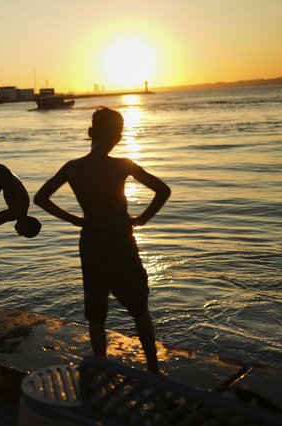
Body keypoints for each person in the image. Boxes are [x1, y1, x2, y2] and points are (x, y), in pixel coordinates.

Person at [34, 107, 171, 373]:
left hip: (92, 241)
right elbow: (162, 190)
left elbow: (41, 198)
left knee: (96, 309)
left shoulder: (73, 168)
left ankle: (100, 366)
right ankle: (153, 369)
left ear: (90, 133)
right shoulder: (123, 165)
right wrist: (141, 219)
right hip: (120, 241)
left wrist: (75, 219)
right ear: (117, 137)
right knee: (139, 307)